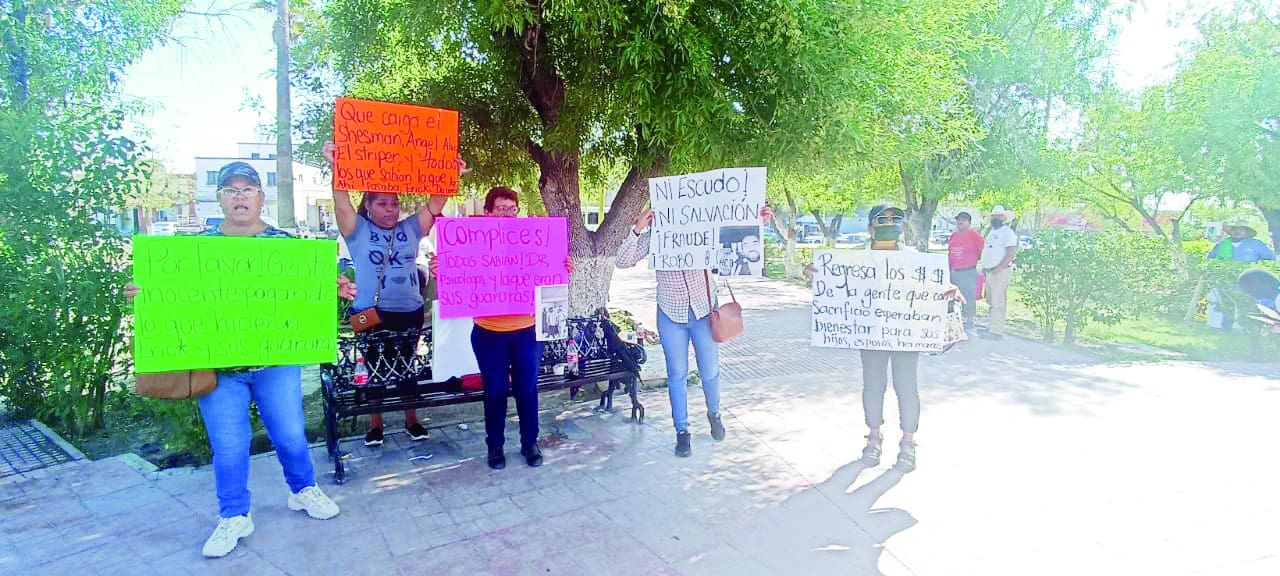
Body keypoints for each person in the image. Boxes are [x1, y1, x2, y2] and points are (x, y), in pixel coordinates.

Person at [126, 162, 342, 558]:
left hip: (276, 363)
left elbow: (310, 294)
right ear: (220, 198)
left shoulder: (287, 245)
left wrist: (334, 289)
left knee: (291, 435)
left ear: (261, 197)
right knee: (228, 446)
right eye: (231, 189)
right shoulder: (195, 249)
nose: (240, 196)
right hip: (221, 370)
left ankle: (302, 489)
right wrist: (146, 294)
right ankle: (234, 515)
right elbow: (174, 299)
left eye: (248, 189)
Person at [322, 141, 467, 447]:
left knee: (406, 367)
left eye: (394, 203)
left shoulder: (411, 229)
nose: (390, 209)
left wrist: (450, 175)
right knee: (373, 368)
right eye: (382, 204)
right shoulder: (357, 230)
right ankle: (375, 425)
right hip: (369, 312)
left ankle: (411, 421)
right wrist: (337, 166)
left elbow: (435, 205)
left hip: (409, 311)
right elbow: (341, 203)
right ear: (369, 207)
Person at [804, 204, 962, 473]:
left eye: (895, 218)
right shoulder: (853, 259)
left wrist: (949, 291)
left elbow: (936, 287)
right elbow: (829, 279)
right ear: (870, 226)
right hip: (871, 333)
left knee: (907, 387)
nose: (889, 222)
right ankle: (874, 437)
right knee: (873, 386)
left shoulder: (916, 259)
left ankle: (908, 443)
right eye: (882, 218)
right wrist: (814, 274)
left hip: (906, 334)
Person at [431, 187, 573, 469]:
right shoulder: (471, 243)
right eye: (501, 208)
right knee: (494, 390)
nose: (508, 213)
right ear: (487, 212)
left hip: (528, 331)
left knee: (527, 389)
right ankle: (494, 446)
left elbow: (550, 278)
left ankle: (529, 442)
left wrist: (563, 267)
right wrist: (441, 269)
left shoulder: (532, 241)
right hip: (488, 332)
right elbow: (455, 272)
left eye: (512, 208)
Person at [616, 206, 773, 457]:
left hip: (703, 312)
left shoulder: (704, 232)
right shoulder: (656, 237)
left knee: (709, 370)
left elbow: (734, 237)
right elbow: (622, 261)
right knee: (677, 374)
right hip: (670, 313)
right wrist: (637, 228)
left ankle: (714, 413)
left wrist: (758, 222)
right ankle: (682, 431)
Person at [1208, 222, 1277, 330]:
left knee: (1248, 305)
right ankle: (1226, 329)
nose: (1237, 231)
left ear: (1247, 232)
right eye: (1235, 228)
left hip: (1248, 281)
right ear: (1230, 231)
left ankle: (1249, 330)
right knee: (1227, 304)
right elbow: (1210, 258)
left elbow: (1272, 258)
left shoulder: (1256, 244)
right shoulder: (1222, 244)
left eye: (1241, 229)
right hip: (1225, 280)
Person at [979, 206, 1018, 341]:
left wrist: (1000, 267)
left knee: (998, 302)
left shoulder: (1007, 232)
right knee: (991, 301)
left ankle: (996, 331)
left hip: (999, 271)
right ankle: (992, 327)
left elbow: (1011, 251)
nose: (995, 218)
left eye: (998, 216)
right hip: (990, 272)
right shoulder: (992, 232)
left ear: (1003, 218)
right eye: (994, 216)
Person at [947, 212, 984, 330]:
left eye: (963, 220)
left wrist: (970, 261)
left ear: (969, 222)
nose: (960, 222)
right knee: (951, 296)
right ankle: (952, 320)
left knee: (968, 296)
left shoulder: (975, 236)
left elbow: (981, 252)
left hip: (968, 271)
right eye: (958, 220)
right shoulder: (953, 236)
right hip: (954, 271)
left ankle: (969, 320)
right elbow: (950, 252)